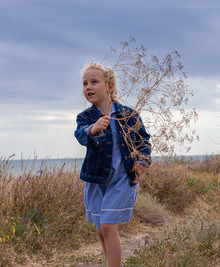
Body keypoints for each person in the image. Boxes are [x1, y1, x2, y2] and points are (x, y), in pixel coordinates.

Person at [74, 62, 151, 267]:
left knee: (108, 226)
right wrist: (93, 128)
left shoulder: (128, 115)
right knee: (100, 229)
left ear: (109, 86)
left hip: (122, 177)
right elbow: (81, 135)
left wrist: (142, 161)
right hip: (96, 178)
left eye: (94, 82)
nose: (88, 87)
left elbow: (143, 141)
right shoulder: (86, 117)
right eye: (84, 83)